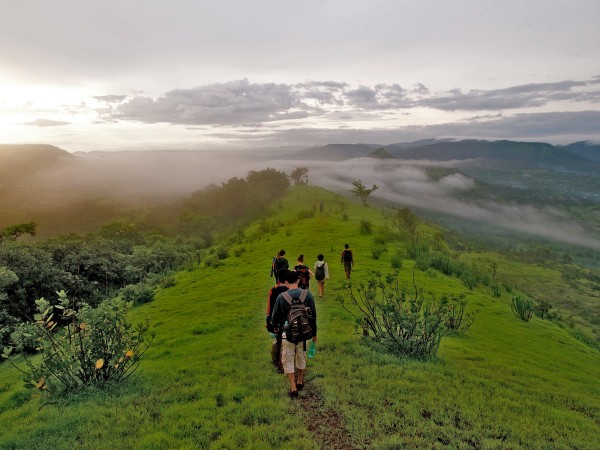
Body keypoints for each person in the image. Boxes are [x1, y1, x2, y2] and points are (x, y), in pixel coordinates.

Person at [270, 271, 317, 398]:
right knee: (301, 355)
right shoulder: (307, 294)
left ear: (286, 282)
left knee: (288, 358)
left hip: (287, 333)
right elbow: (313, 316)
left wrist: (275, 328)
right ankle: (300, 380)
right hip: (304, 333)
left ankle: (293, 387)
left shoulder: (281, 297)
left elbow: (274, 318)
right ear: (298, 280)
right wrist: (314, 333)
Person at [266, 269, 289, 372]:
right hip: (289, 319)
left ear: (278, 278)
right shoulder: (291, 290)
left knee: (278, 340)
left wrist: (268, 320)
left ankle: (276, 362)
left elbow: (269, 307)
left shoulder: (273, 290)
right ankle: (284, 363)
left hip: (276, 320)